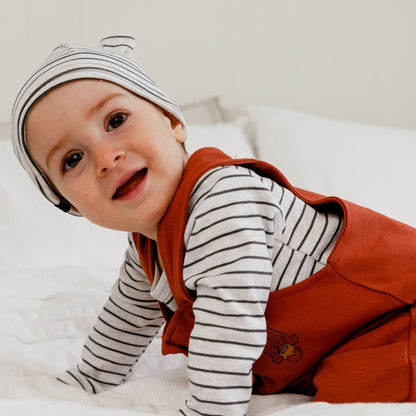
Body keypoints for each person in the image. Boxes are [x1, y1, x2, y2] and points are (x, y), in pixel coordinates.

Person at [11, 36, 416, 416]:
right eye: (72, 159)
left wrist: (208, 410)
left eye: (116, 120)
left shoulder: (223, 199)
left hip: (397, 317)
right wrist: (86, 381)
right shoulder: (147, 244)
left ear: (173, 123)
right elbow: (127, 317)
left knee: (358, 393)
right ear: (67, 204)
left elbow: (230, 322)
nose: (105, 156)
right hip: (339, 342)